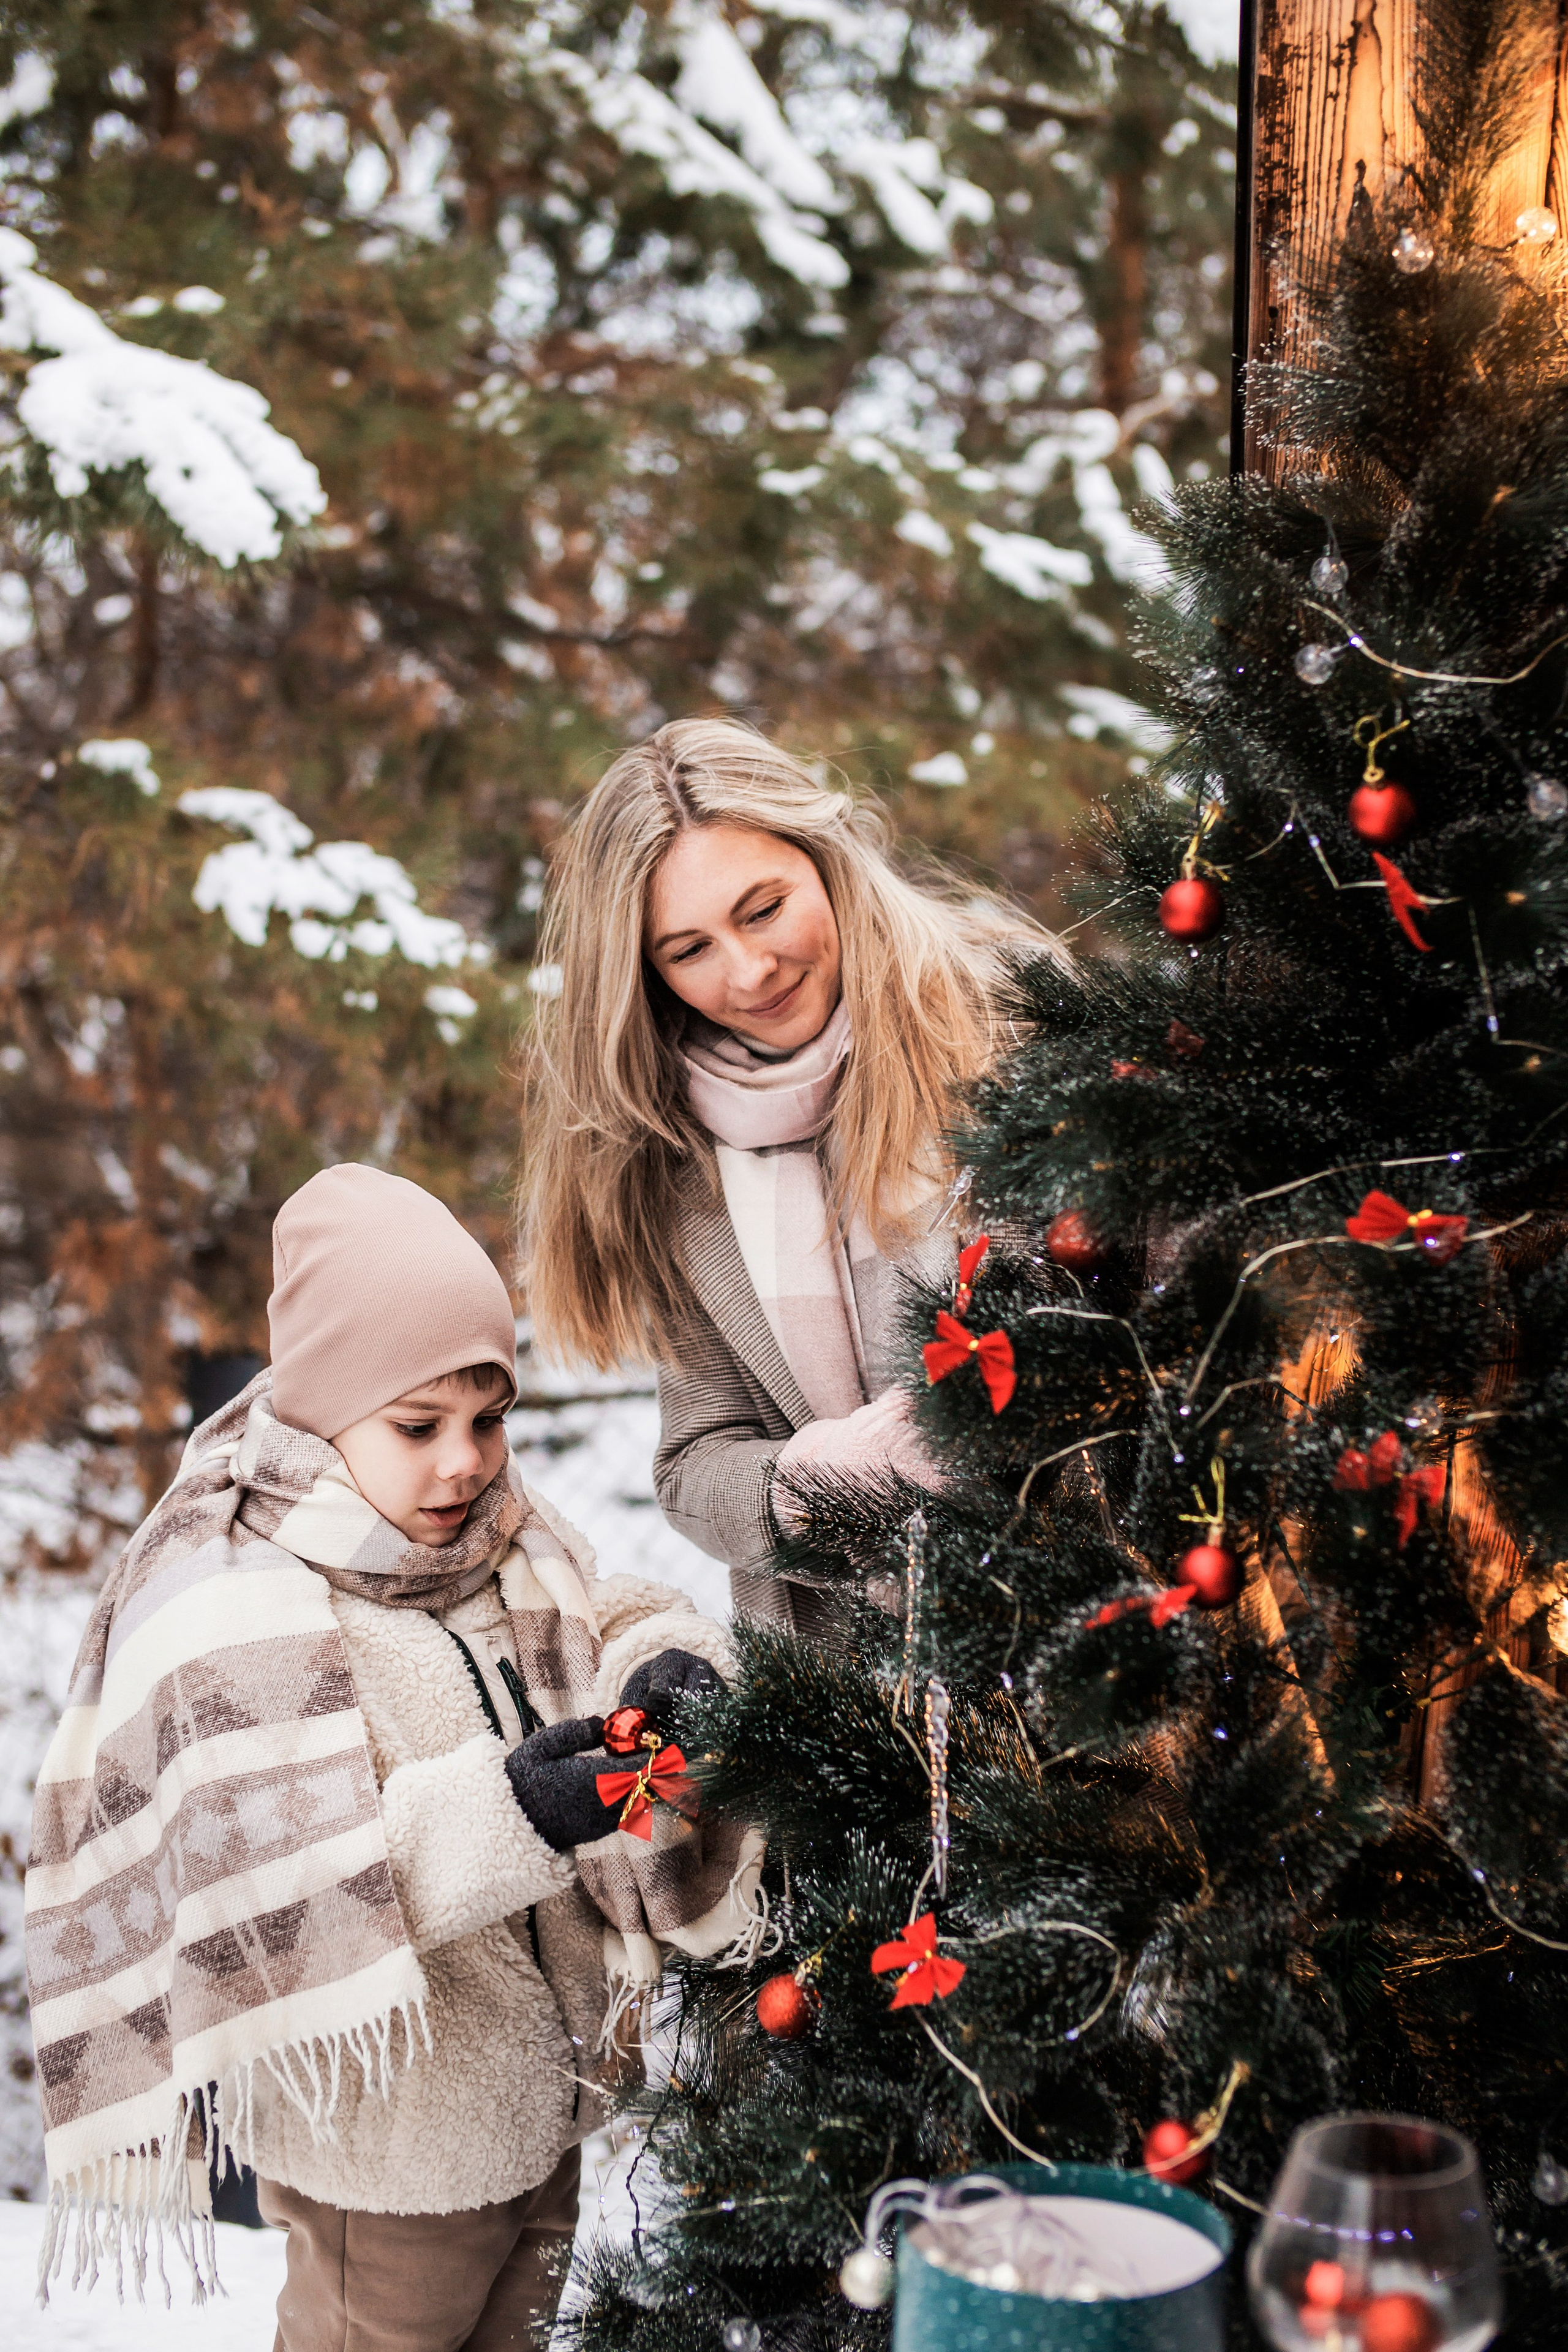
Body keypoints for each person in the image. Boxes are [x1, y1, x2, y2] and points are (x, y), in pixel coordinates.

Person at [26, 1164, 748, 2351]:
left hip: (544, 2107)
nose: (466, 1462)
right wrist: (517, 1808)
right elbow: (291, 1875)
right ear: (321, 1420)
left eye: (488, 1417)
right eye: (418, 1428)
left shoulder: (492, 1542)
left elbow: (597, 1618)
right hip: (389, 2152)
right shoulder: (239, 1612)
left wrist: (657, 1663)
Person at [523, 718, 1049, 1636]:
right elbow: (694, 1464)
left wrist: (974, 1417)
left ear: (827, 858)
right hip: (844, 1691)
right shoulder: (675, 1154)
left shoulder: (1010, 1018)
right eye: (688, 950)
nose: (750, 970)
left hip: (1088, 1624)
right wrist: (813, 1480)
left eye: (763, 909)